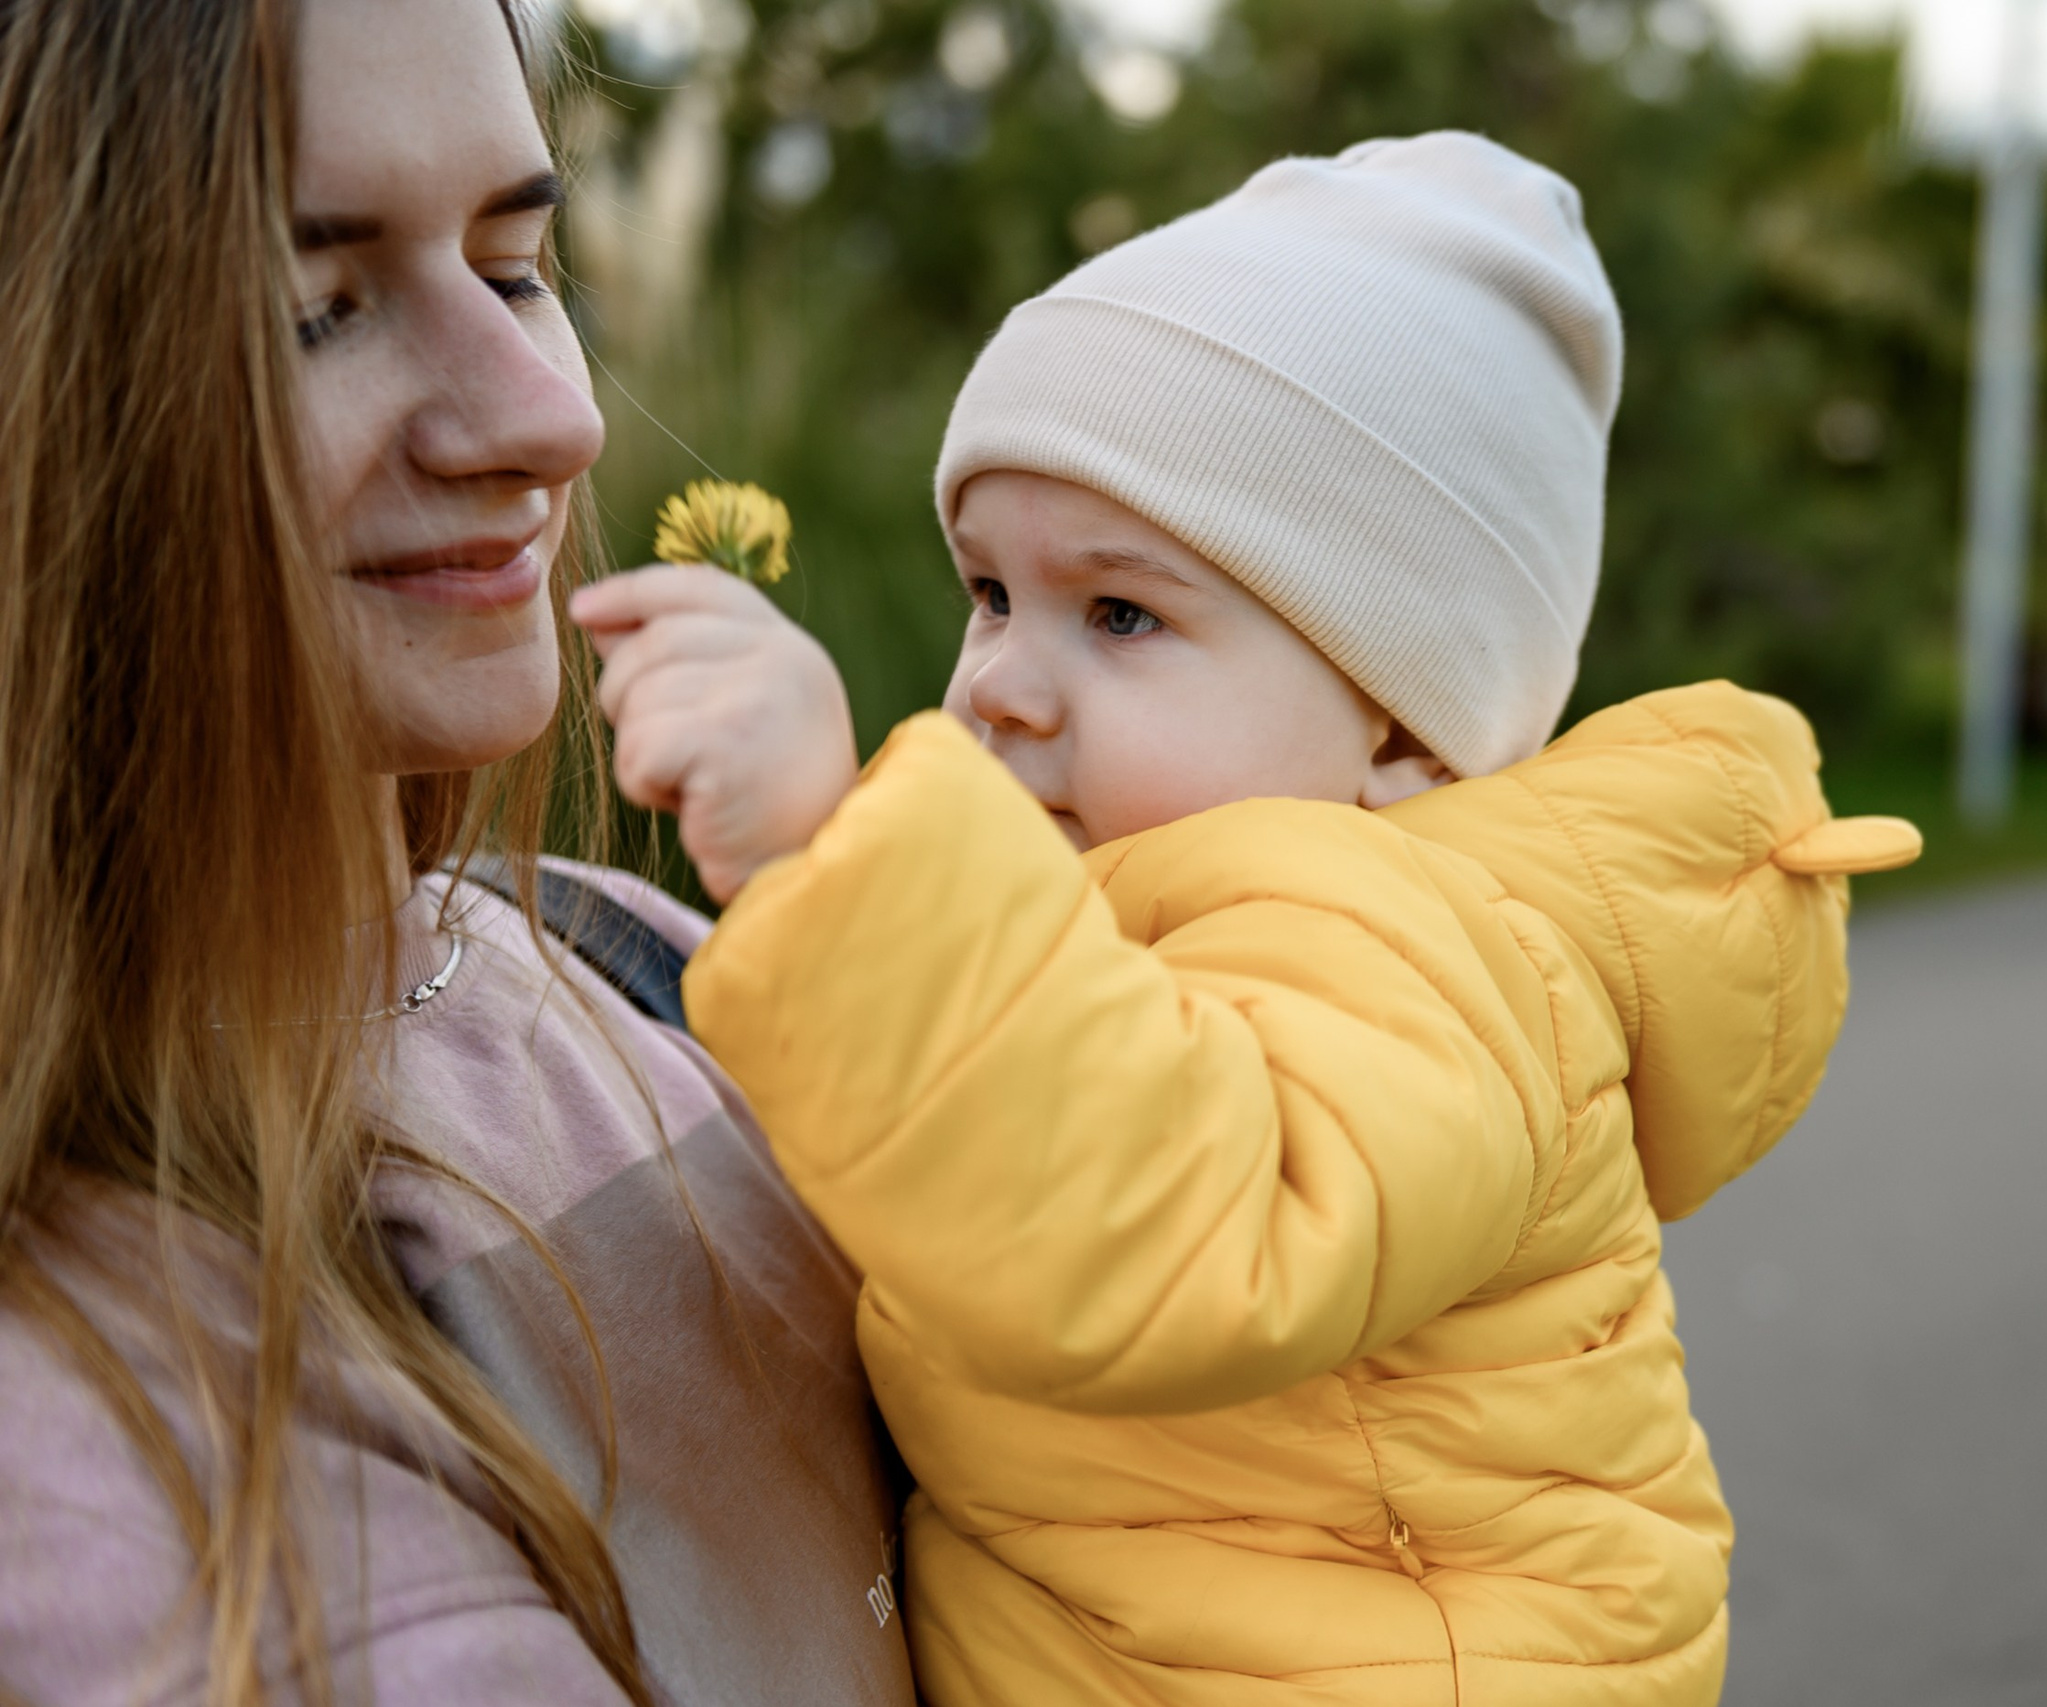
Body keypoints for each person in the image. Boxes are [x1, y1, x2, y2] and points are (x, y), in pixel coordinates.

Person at [578, 133, 1920, 1704]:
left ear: (1405, 733)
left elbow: (1171, 1223)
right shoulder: (1148, 927)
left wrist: (834, 859)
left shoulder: (1436, 955)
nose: (999, 683)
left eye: (1122, 612)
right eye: (989, 594)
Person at [0, 1, 911, 1702]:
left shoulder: (631, 957)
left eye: (516, 267)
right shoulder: (95, 1431)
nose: (548, 423)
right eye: (314, 312)